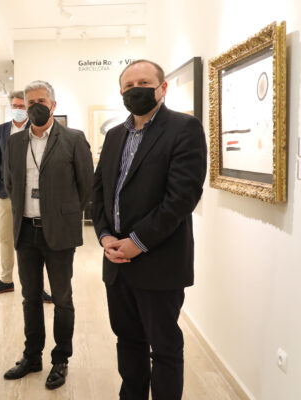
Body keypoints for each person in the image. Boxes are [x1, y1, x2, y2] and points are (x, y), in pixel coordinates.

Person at [92, 59, 207, 399]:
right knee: (128, 341)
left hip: (159, 262)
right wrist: (105, 236)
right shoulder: (115, 135)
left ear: (162, 87)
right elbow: (100, 193)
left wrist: (137, 242)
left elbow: (181, 198)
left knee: (164, 348)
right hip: (116, 263)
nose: (135, 90)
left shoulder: (184, 129)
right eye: (128, 86)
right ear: (121, 92)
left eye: (143, 83)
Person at [2, 80, 94, 390]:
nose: (35, 107)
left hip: (59, 232)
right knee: (30, 297)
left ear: (53, 105)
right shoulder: (15, 143)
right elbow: (10, 183)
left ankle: (61, 359)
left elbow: (86, 186)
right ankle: (32, 356)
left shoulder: (73, 139)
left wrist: (64, 214)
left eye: (41, 101)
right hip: (26, 231)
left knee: (62, 298)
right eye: (30, 103)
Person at [0, 90, 52, 303]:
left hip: (31, 196)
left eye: (22, 106)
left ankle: (37, 287)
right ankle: (6, 279)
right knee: (5, 237)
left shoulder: (36, 128)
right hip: (6, 195)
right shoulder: (2, 130)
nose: (19, 109)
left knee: (34, 241)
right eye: (15, 106)